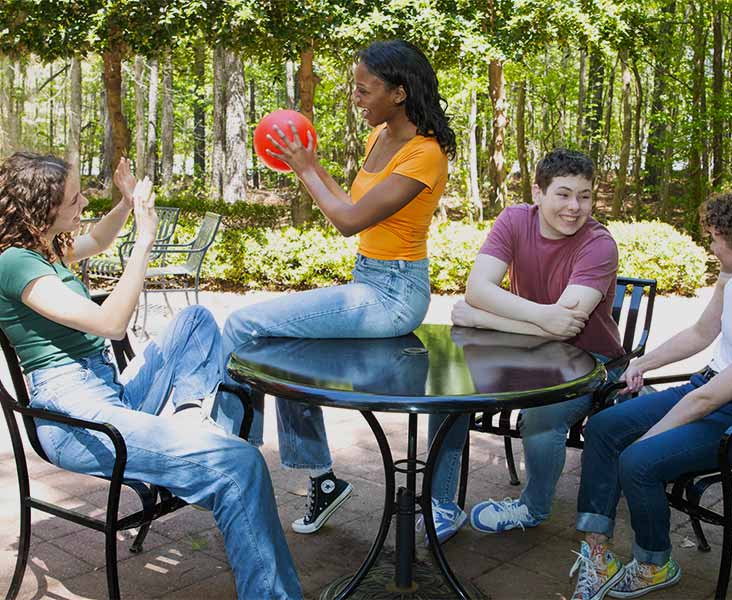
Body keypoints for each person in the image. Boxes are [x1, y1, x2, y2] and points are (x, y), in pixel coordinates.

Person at [0, 153, 301, 600]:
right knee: (239, 465)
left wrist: (125, 202)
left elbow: (99, 240)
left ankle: (190, 419)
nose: (84, 202)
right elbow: (112, 324)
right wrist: (144, 241)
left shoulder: (49, 246)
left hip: (106, 388)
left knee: (196, 319)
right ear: (41, 207)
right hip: (73, 415)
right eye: (74, 198)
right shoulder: (15, 263)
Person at [217, 39, 455, 535]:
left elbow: (348, 221)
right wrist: (308, 162)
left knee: (243, 324)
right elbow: (351, 203)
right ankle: (323, 479)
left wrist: (304, 168)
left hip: (393, 295)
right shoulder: (379, 138)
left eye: (364, 89)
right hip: (367, 279)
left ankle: (228, 453)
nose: (356, 97)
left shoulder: (425, 154)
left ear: (398, 91)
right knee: (286, 353)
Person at [569, 185, 732, 600]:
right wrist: (643, 362)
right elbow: (700, 334)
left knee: (638, 459)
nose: (710, 247)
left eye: (715, 239)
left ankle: (655, 564)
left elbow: (710, 401)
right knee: (604, 427)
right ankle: (597, 552)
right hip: (707, 387)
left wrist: (648, 438)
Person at [426, 148, 625, 543]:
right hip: (525, 350)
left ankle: (534, 508)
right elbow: (478, 287)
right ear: (538, 192)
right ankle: (442, 504)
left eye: (585, 196)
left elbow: (563, 328)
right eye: (564, 194)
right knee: (450, 392)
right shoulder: (515, 220)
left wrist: (482, 317)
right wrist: (541, 317)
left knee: (541, 416)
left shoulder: (599, 244)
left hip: (591, 363)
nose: (575, 207)